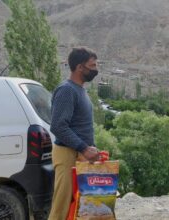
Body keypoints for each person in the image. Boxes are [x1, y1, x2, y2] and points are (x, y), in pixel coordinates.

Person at [48, 47, 100, 220]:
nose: (95, 69)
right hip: (67, 155)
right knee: (61, 206)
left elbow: (80, 125)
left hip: (81, 154)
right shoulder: (66, 90)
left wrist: (88, 149)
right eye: (92, 65)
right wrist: (84, 148)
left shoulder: (80, 90)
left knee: (78, 206)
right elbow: (58, 126)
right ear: (80, 67)